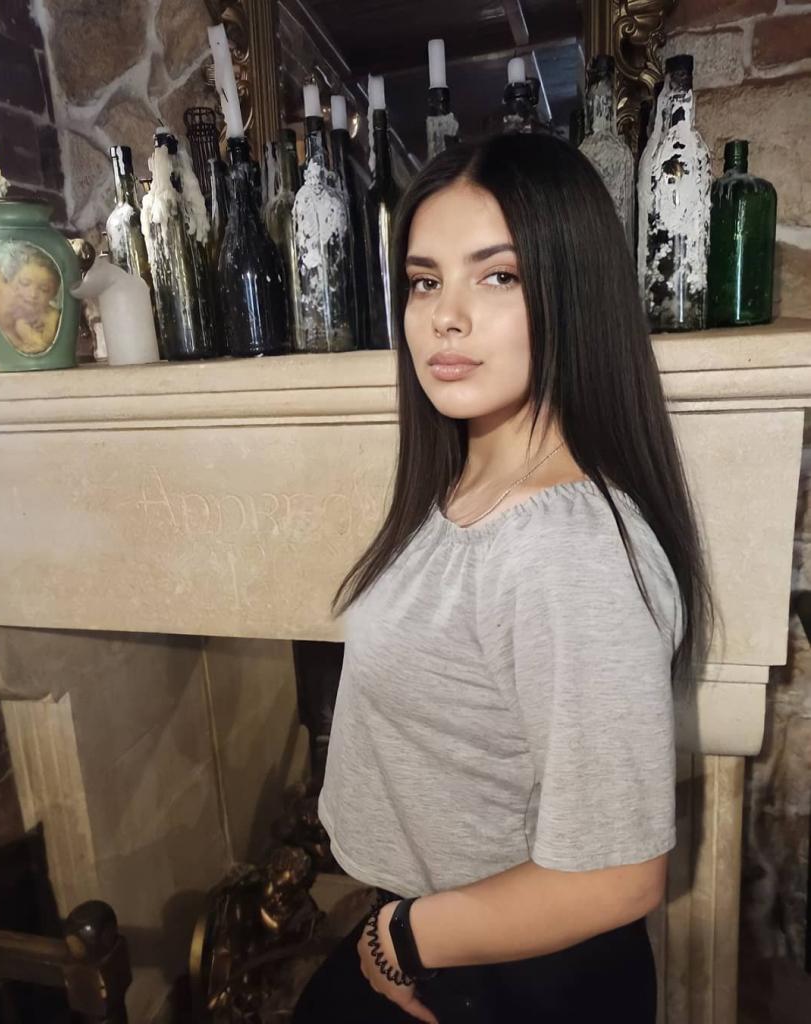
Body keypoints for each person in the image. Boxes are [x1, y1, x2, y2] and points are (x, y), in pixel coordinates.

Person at [292, 132, 713, 1024]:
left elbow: (618, 876)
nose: (445, 316)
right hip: (450, 936)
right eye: (423, 281)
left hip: (510, 970)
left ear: (571, 292)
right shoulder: (460, 487)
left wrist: (400, 941)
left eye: (497, 276)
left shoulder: (566, 549)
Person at [0, 244, 62, 354]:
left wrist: (51, 323)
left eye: (44, 289)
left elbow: (49, 348)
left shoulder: (54, 316)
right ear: (12, 283)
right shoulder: (14, 319)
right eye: (25, 283)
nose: (33, 294)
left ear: (53, 294)